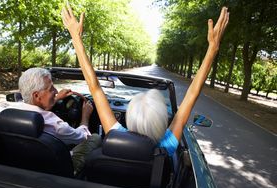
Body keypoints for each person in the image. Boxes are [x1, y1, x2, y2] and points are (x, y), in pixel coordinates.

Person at [61, 4, 229, 156]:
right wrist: (213, 48)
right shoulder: (167, 145)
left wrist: (76, 37)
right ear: (162, 123)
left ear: (130, 119)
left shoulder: (114, 134)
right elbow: (193, 93)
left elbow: (94, 87)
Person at [17, 67, 101, 174]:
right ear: (37, 95)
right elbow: (82, 137)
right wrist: (85, 115)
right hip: (57, 169)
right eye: (51, 89)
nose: (56, 91)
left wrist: (56, 99)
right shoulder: (56, 125)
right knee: (95, 138)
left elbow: (38, 109)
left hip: (26, 165)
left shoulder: (13, 114)